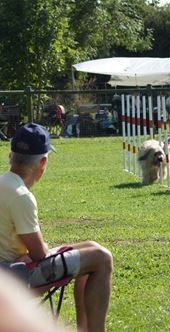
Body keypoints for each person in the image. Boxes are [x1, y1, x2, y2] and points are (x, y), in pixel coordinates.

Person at [0, 123, 113, 332]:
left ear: (11, 156)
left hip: (10, 267)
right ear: (42, 163)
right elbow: (39, 254)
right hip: (13, 276)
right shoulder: (21, 196)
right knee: (102, 257)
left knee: (90, 246)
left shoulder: (3, 183)